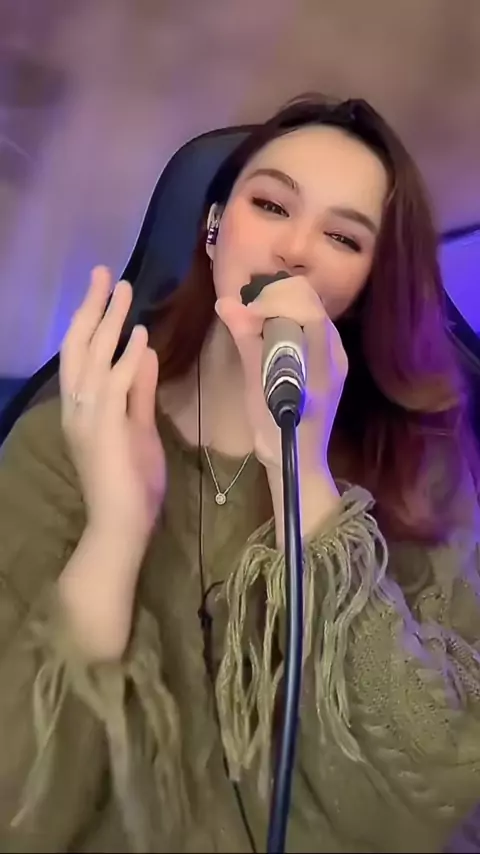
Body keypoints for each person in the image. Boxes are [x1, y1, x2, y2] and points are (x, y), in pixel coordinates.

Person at [0, 93, 480, 854]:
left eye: (343, 237)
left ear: (367, 286)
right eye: (271, 205)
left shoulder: (425, 473)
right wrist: (116, 531)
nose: (295, 249)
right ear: (214, 225)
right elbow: (20, 811)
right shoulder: (65, 440)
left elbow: (423, 804)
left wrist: (307, 484)